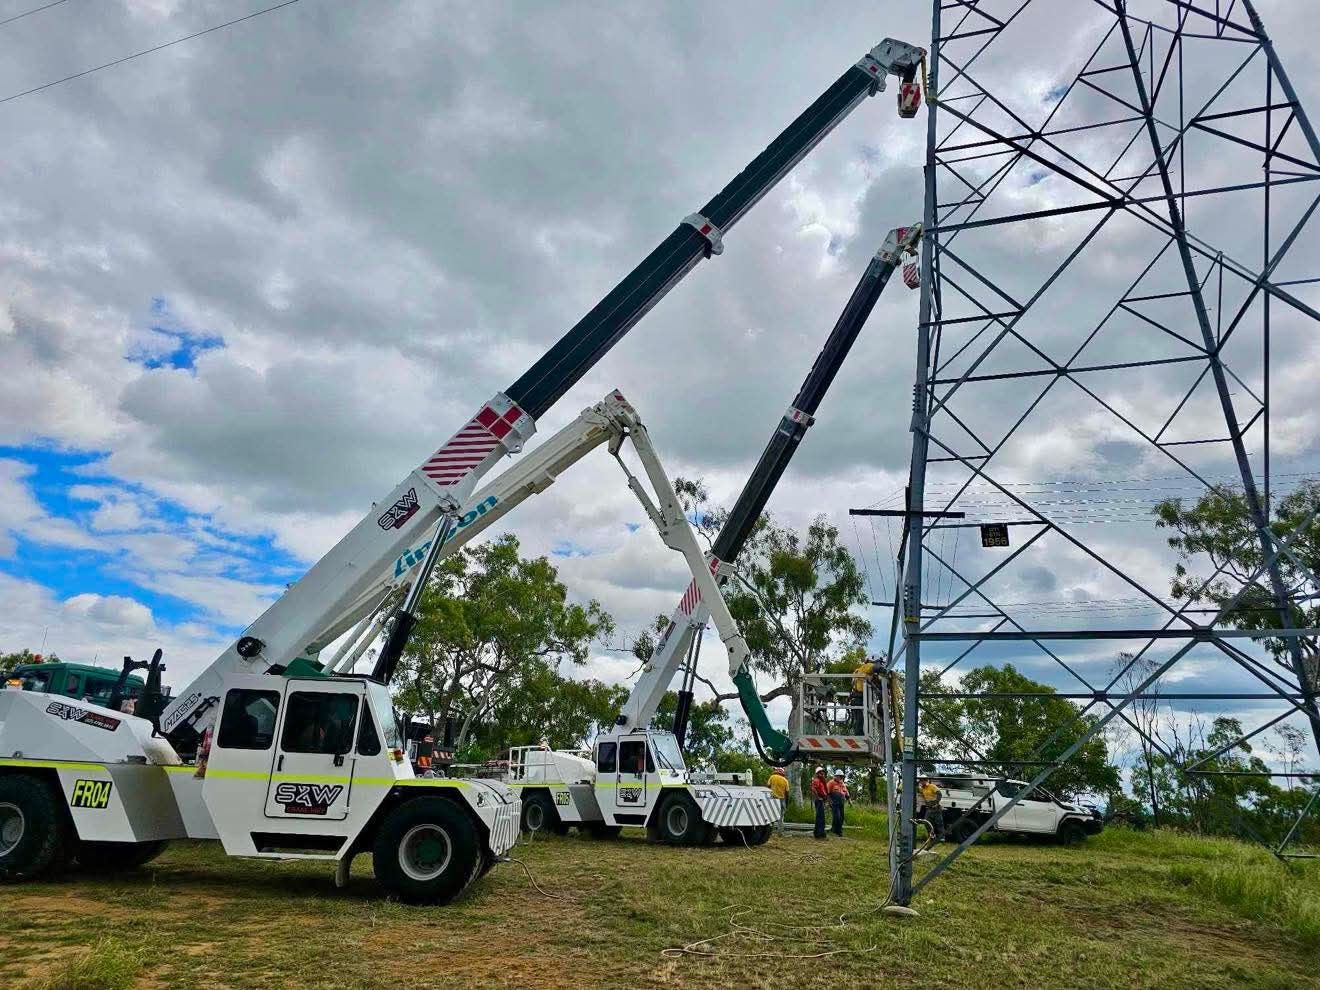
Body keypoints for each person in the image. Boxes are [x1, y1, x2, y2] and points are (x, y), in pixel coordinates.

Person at [850, 657, 875, 735]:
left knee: (859, 718)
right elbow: (874, 667)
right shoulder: (866, 667)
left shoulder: (858, 670)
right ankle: (859, 735)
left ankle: (859, 733)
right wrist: (882, 669)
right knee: (860, 718)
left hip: (855, 697)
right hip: (859, 698)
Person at [918, 777, 945, 841]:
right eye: (920, 781)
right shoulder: (922, 789)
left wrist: (936, 802)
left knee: (939, 822)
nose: (921, 782)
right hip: (929, 808)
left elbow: (939, 794)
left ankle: (942, 837)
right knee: (927, 822)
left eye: (922, 781)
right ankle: (932, 836)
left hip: (936, 808)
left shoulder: (932, 786)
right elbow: (917, 789)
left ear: (926, 781)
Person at [767, 766, 790, 833]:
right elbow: (787, 793)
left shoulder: (772, 777)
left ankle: (769, 831)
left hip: (772, 799)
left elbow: (768, 787)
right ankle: (780, 832)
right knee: (781, 817)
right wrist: (786, 803)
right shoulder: (785, 780)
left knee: (771, 816)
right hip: (781, 800)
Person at [828, 769, 850, 836]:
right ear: (836, 776)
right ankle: (838, 832)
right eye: (839, 776)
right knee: (837, 816)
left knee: (841, 817)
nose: (840, 777)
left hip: (841, 803)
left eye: (841, 776)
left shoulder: (842, 783)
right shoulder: (831, 782)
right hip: (834, 803)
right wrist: (829, 801)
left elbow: (846, 792)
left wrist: (849, 801)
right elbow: (827, 793)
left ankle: (834, 829)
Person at [810, 766, 830, 839]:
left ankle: (821, 833)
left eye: (823, 772)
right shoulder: (817, 780)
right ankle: (818, 834)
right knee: (819, 817)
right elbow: (813, 788)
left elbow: (825, 791)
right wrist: (818, 797)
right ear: (818, 773)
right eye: (821, 772)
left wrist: (826, 799)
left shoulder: (822, 781)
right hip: (819, 800)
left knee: (821, 817)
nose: (822, 773)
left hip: (822, 800)